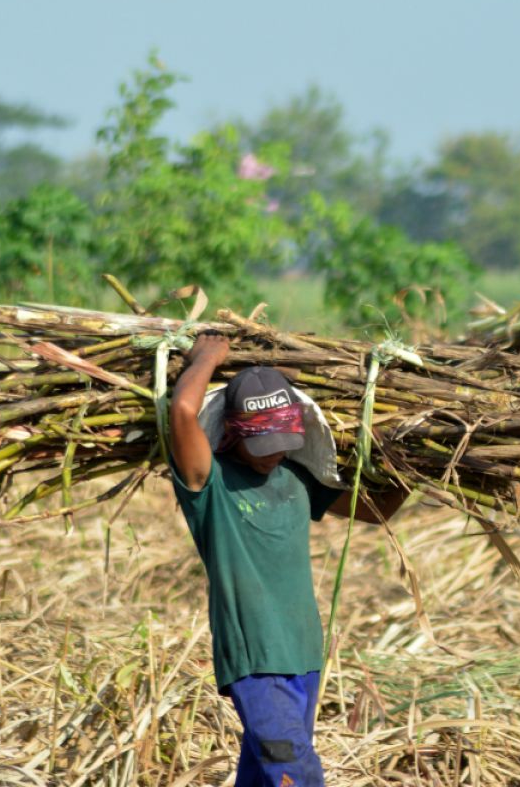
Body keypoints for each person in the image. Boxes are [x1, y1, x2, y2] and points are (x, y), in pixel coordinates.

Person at [169, 331, 407, 787]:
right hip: (255, 659)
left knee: (264, 775)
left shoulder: (296, 476)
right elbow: (183, 412)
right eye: (261, 444)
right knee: (294, 773)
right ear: (232, 431)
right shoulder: (209, 483)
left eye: (281, 441)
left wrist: (412, 464)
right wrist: (206, 356)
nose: (272, 453)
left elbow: (378, 512)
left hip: (303, 654)